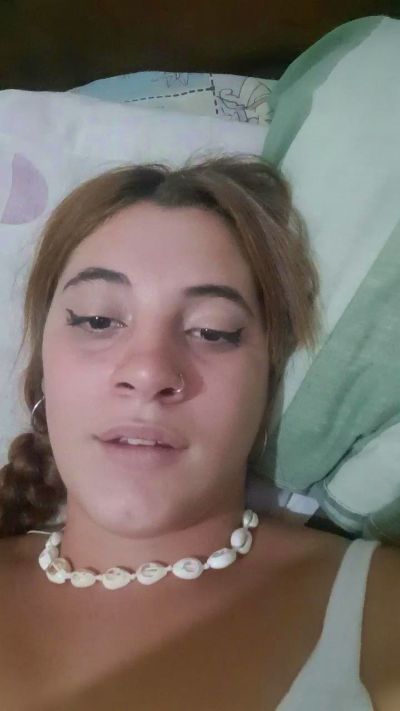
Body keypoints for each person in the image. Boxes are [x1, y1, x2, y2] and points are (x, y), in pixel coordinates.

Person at [0, 154, 398, 710]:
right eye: (97, 320)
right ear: (43, 368)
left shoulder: (377, 611)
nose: (148, 372)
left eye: (213, 331)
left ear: (269, 382)